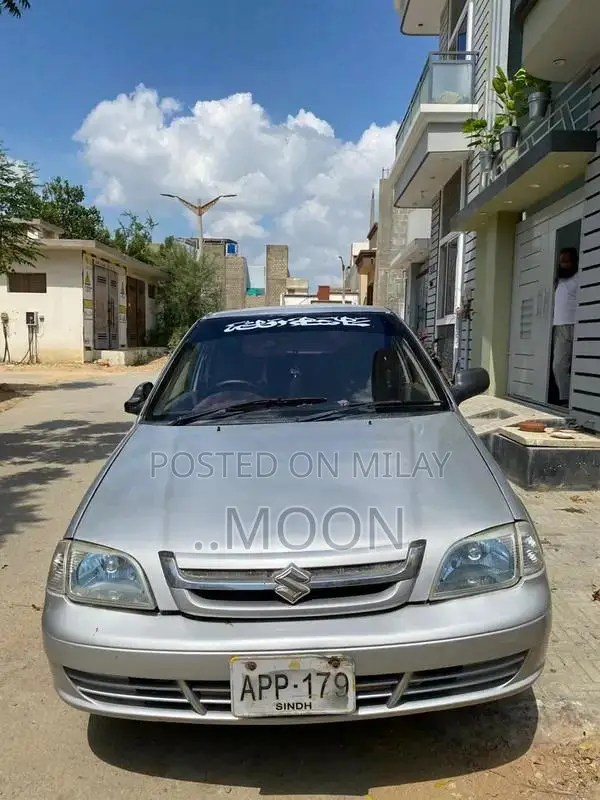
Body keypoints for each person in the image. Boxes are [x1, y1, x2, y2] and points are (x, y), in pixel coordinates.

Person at [552, 247, 579, 406]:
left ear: (574, 262)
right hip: (560, 326)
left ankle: (576, 401)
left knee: (577, 365)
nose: (563, 265)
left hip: (577, 325)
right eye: (561, 262)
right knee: (558, 366)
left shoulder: (579, 277)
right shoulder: (559, 281)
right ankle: (565, 399)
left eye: (566, 261)